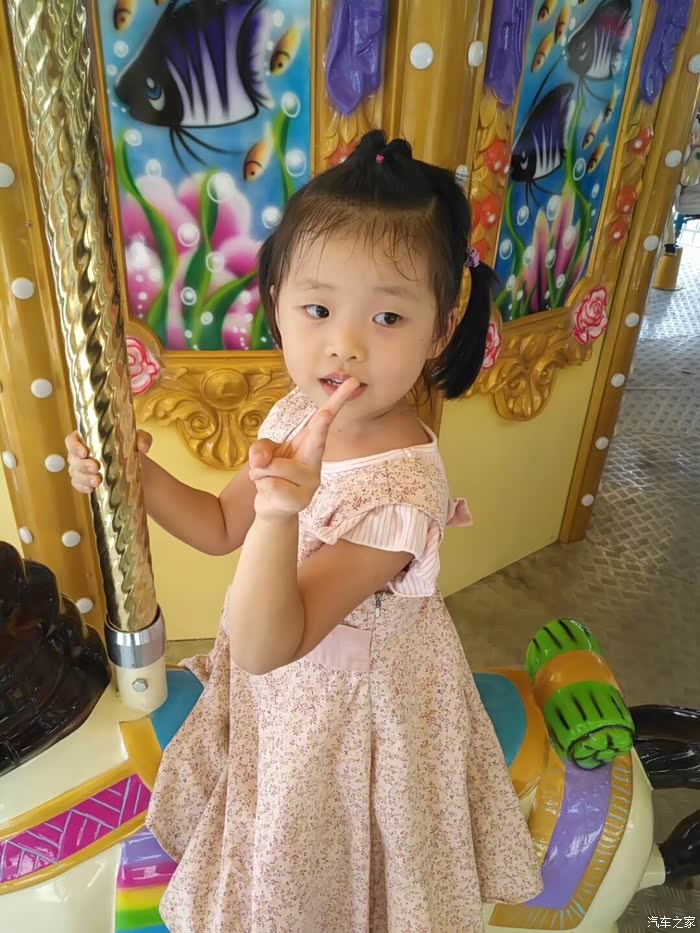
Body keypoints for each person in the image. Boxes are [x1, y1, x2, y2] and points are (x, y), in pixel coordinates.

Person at [66, 130, 542, 932]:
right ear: (277, 304)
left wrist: (283, 512)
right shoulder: (294, 412)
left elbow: (270, 642)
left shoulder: (401, 493)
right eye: (318, 309)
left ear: (439, 329)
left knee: (311, 865)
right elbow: (221, 524)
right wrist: (133, 477)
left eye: (387, 316)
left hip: (345, 717)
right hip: (282, 684)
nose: (344, 345)